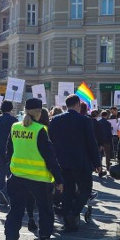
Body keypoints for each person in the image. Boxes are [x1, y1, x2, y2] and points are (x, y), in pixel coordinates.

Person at [5, 98, 64, 240]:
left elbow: (8, 151)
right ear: (39, 112)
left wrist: (9, 169)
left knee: (15, 213)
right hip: (39, 178)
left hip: (17, 177)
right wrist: (59, 179)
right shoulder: (40, 130)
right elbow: (50, 157)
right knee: (45, 210)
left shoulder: (15, 127)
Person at [48, 95, 99, 232]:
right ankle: (73, 213)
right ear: (77, 104)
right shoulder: (85, 120)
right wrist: (97, 162)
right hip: (81, 162)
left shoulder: (55, 120)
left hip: (62, 162)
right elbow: (91, 143)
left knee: (68, 191)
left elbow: (50, 141)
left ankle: (67, 221)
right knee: (86, 190)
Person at [96, 110, 114, 175]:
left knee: (100, 155)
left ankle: (100, 167)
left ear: (101, 115)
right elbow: (109, 133)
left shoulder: (98, 122)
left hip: (100, 141)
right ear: (106, 115)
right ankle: (108, 167)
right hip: (107, 141)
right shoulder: (108, 123)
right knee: (107, 155)